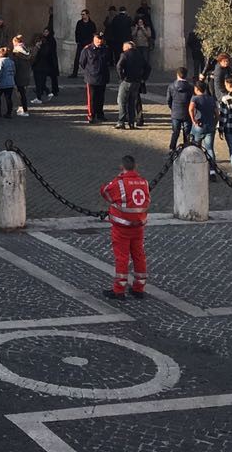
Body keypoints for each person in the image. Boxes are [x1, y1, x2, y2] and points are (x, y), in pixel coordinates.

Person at [99, 154, 150, 299]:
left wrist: (116, 179)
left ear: (122, 167)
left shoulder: (119, 183)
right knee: (139, 256)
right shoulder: (144, 182)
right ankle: (139, 287)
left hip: (122, 227)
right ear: (135, 167)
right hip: (138, 226)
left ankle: (119, 289)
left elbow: (105, 191)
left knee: (122, 257)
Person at [116, 40, 147, 129]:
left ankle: (121, 122)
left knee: (122, 101)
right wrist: (143, 78)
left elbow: (119, 66)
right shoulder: (139, 55)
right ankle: (131, 123)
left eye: (123, 47)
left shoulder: (125, 55)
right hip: (137, 82)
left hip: (127, 81)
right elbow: (148, 67)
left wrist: (122, 77)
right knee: (132, 102)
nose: (123, 49)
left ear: (127, 47)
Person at [188, 80, 218, 174]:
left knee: (196, 147)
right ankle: (212, 170)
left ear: (196, 89)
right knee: (210, 149)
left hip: (199, 125)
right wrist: (215, 122)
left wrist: (193, 120)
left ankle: (196, 167)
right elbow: (217, 113)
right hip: (210, 126)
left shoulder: (195, 99)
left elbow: (191, 108)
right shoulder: (211, 98)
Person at [78, 33, 109, 123]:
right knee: (91, 98)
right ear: (94, 39)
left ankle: (100, 114)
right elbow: (82, 63)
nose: (99, 41)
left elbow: (107, 60)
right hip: (91, 77)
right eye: (98, 39)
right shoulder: (87, 49)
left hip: (102, 76)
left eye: (101, 39)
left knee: (100, 97)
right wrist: (90, 71)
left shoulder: (105, 49)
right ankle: (91, 115)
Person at [165, 67, 194, 151]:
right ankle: (186, 148)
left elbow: (168, 100)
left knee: (175, 132)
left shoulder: (171, 86)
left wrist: (172, 107)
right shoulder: (190, 87)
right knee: (187, 133)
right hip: (187, 112)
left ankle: (172, 148)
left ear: (177, 75)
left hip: (176, 112)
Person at [34, 24, 60, 100]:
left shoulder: (52, 40)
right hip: (45, 61)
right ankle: (42, 90)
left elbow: (50, 50)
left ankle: (54, 90)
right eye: (44, 32)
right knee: (43, 77)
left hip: (51, 60)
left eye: (46, 32)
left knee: (53, 77)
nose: (45, 33)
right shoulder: (43, 39)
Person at [11, 34, 35, 115]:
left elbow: (15, 66)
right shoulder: (26, 51)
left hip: (19, 75)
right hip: (26, 75)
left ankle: (24, 110)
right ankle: (21, 108)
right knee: (22, 92)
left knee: (20, 93)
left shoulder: (17, 54)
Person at [0, 45, 16, 118]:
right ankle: (9, 113)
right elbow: (14, 71)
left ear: (0, 54)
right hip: (10, 82)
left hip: (1, 83)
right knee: (8, 98)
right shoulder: (11, 62)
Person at [72, 9, 96, 77]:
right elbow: (76, 32)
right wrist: (78, 41)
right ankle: (74, 73)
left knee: (89, 59)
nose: (82, 16)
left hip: (88, 44)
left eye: (83, 14)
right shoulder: (79, 23)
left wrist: (91, 42)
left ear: (87, 15)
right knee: (77, 58)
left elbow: (93, 33)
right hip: (81, 43)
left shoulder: (92, 24)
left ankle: (90, 73)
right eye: (81, 14)